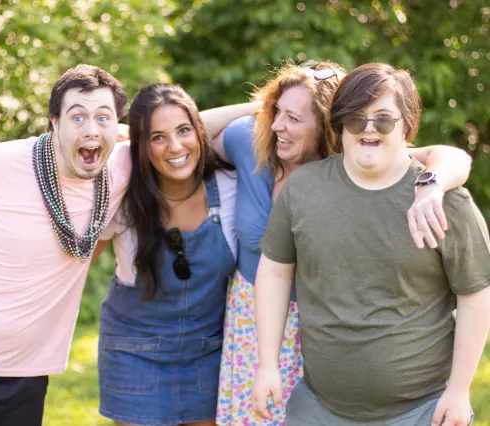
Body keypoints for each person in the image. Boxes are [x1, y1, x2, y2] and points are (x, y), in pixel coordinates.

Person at [207, 61, 474, 425]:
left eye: (383, 119)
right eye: (355, 118)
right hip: (317, 405)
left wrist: (459, 391)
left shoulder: (441, 198)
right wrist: (267, 364)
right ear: (338, 122)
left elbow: (475, 294)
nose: (368, 129)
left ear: (406, 125)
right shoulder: (302, 186)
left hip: (419, 410)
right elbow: (275, 274)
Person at [0, 64, 131, 425]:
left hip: (24, 370)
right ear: (54, 122)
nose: (91, 130)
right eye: (76, 117)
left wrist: (263, 105)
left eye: (103, 118)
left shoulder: (120, 169)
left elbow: (182, 124)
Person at [95, 83, 248, 426]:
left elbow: (266, 120)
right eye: (157, 137)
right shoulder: (122, 195)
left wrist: (267, 102)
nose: (175, 146)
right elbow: (76, 265)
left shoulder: (230, 185)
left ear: (200, 131)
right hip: (134, 354)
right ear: (141, 147)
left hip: (208, 354)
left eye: (184, 130)